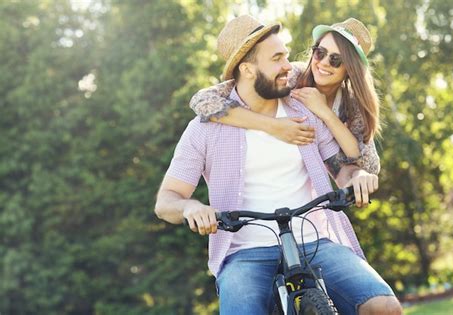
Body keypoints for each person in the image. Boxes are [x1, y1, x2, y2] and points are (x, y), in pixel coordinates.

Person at [155, 15, 402, 315]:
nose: (290, 66)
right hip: (245, 252)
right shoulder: (205, 129)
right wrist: (190, 208)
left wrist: (358, 176)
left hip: (315, 240)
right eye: (278, 58)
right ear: (247, 69)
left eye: (286, 56)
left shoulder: (305, 109)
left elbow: (343, 168)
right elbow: (167, 201)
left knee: (384, 306)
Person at [189, 18, 381, 175]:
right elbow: (202, 101)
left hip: (316, 181)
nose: (323, 63)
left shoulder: (351, 104)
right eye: (319, 52)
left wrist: (325, 113)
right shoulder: (292, 76)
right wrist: (274, 127)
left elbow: (370, 166)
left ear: (351, 69)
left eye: (336, 59)